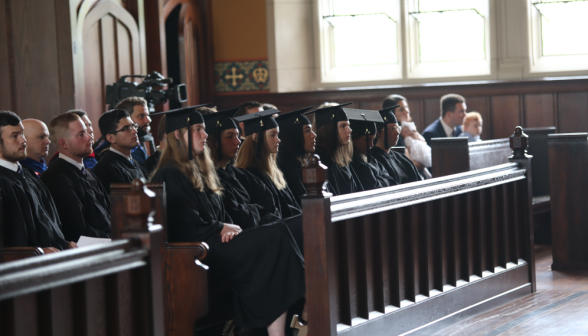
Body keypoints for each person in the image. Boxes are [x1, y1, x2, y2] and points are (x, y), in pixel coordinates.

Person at [149, 106, 305, 335]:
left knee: (285, 230)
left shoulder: (199, 169)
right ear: (178, 134)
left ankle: (284, 326)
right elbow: (184, 225)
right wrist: (221, 226)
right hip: (201, 253)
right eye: (198, 130)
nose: (205, 135)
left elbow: (222, 214)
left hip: (219, 244)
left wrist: (227, 226)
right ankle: (294, 316)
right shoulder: (170, 173)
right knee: (275, 236)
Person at [0, 111, 76, 251]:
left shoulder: (28, 174)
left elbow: (48, 222)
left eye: (22, 134)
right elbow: (9, 241)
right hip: (27, 266)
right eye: (15, 136)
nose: (23, 140)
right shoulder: (3, 183)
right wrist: (38, 253)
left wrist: (64, 243)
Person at [199, 106, 281, 230]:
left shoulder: (241, 174)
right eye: (230, 136)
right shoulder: (211, 178)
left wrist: (255, 212)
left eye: (237, 136)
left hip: (264, 231)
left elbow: (270, 205)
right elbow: (238, 217)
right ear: (213, 142)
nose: (238, 142)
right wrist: (257, 209)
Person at [41, 113, 111, 242]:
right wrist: (113, 241)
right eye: (81, 134)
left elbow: (108, 215)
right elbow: (77, 231)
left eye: (87, 132)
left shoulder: (89, 174)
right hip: (86, 249)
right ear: (64, 143)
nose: (89, 137)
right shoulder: (56, 178)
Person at [234, 109, 302, 220]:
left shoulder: (275, 171)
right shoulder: (248, 174)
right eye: (272, 135)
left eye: (278, 135)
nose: (278, 140)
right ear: (255, 138)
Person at [306, 103, 364, 195]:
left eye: (348, 125)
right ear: (328, 129)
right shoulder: (321, 161)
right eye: (343, 126)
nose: (349, 130)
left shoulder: (341, 159)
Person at [92, 109, 148, 194]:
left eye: (133, 126)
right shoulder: (106, 169)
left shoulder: (138, 164)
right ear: (111, 138)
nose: (135, 131)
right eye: (126, 128)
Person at [275, 106, 316, 206]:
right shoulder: (284, 166)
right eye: (307, 130)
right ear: (294, 136)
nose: (314, 135)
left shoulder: (303, 163)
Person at [371, 106, 422, 184]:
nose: (397, 132)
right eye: (392, 129)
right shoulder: (372, 160)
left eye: (397, 128)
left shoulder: (402, 158)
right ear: (378, 132)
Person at [348, 109, 397, 190]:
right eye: (367, 140)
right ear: (353, 139)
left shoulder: (371, 159)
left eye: (373, 139)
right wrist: (381, 178)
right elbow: (373, 186)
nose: (371, 145)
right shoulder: (353, 163)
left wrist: (378, 180)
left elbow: (391, 181)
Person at [382, 95, 431, 174]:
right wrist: (424, 163)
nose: (407, 111)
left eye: (406, 107)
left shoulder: (410, 128)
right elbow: (406, 164)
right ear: (392, 114)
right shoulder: (394, 137)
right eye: (401, 109)